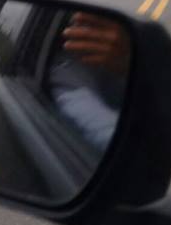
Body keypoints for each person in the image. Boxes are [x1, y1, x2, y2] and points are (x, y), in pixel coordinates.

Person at [48, 11, 130, 154]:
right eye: (79, 21)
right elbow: (102, 129)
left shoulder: (128, 46)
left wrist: (128, 59)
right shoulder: (66, 75)